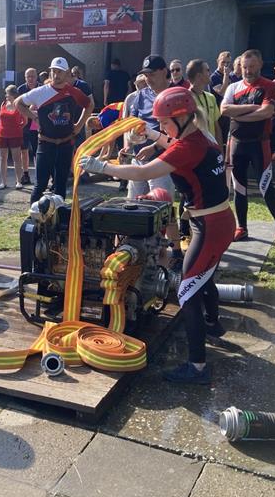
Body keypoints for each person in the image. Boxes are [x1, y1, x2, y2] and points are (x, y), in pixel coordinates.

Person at [80, 88, 235, 384]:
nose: (161, 127)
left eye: (164, 122)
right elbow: (172, 143)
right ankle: (213, 325)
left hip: (211, 227)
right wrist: (150, 135)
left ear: (181, 117)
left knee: (187, 290)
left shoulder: (187, 147)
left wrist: (103, 166)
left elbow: (144, 173)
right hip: (218, 220)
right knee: (204, 278)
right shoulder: (201, 136)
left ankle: (198, 367)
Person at [221, 49, 275, 249]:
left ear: (259, 65)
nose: (248, 71)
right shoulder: (233, 86)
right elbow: (224, 110)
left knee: (266, 187)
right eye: (244, 67)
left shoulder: (268, 85)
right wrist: (253, 109)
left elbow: (267, 112)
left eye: (252, 67)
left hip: (259, 144)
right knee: (239, 188)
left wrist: (238, 114)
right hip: (237, 144)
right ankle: (241, 227)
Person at [15, 56, 93, 203]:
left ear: (67, 73)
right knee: (40, 185)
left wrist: (79, 125)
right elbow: (18, 102)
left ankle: (59, 217)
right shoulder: (40, 92)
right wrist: (34, 117)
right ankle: (34, 217)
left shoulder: (74, 91)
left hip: (65, 144)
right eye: (54, 71)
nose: (56, 75)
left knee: (61, 184)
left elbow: (89, 105)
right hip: (46, 143)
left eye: (60, 72)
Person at [124, 55, 176, 201]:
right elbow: (131, 123)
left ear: (164, 71)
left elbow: (178, 133)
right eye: (145, 75)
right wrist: (128, 145)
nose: (148, 79)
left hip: (162, 161)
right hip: (138, 159)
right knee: (133, 206)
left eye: (152, 74)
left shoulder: (176, 95)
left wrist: (153, 147)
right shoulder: (141, 95)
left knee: (161, 207)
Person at [0, 85, 27, 190]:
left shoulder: (19, 105)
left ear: (13, 94)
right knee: (2, 158)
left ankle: (18, 181)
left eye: (7, 94)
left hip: (15, 135)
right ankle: (3, 182)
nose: (6, 96)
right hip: (2, 134)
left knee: (16, 159)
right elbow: (0, 121)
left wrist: (17, 128)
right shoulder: (3, 104)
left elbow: (25, 121)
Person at [187, 59, 223, 148]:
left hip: (212, 149)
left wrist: (221, 151)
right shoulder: (186, 99)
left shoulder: (211, 97)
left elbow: (216, 127)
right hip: (195, 149)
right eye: (207, 70)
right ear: (199, 76)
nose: (210, 73)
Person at [17, 67, 40, 185]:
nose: (30, 79)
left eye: (33, 76)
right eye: (28, 76)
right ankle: (26, 174)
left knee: (39, 151)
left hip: (38, 123)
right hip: (24, 124)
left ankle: (40, 175)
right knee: (24, 150)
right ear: (25, 77)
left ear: (37, 77)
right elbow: (16, 107)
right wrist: (29, 109)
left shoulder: (42, 89)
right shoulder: (20, 89)